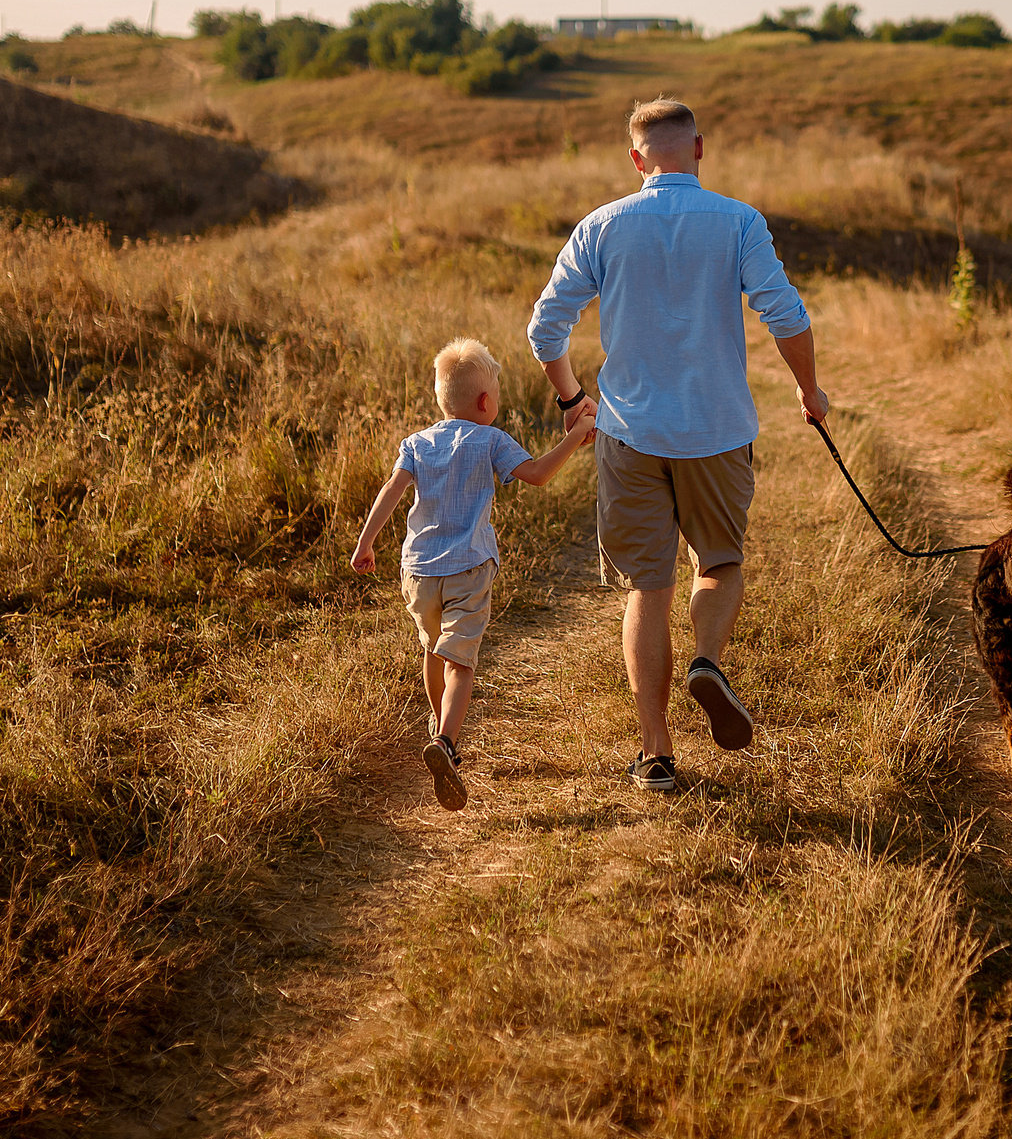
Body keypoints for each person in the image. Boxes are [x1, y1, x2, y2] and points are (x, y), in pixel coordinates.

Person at [527, 97, 829, 791]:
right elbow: (786, 312)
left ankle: (657, 753)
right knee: (719, 563)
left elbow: (546, 328)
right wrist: (809, 390)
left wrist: (574, 398)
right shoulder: (739, 221)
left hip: (630, 434)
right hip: (717, 431)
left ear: (637, 159)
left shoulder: (601, 226)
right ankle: (709, 661)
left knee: (646, 588)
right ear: (699, 148)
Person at [350, 337, 595, 811]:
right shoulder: (491, 440)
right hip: (469, 569)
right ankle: (446, 742)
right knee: (461, 660)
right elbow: (539, 474)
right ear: (486, 402)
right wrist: (574, 435)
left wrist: (365, 542)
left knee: (432, 647)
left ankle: (434, 718)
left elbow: (391, 490)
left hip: (417, 571)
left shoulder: (416, 443)